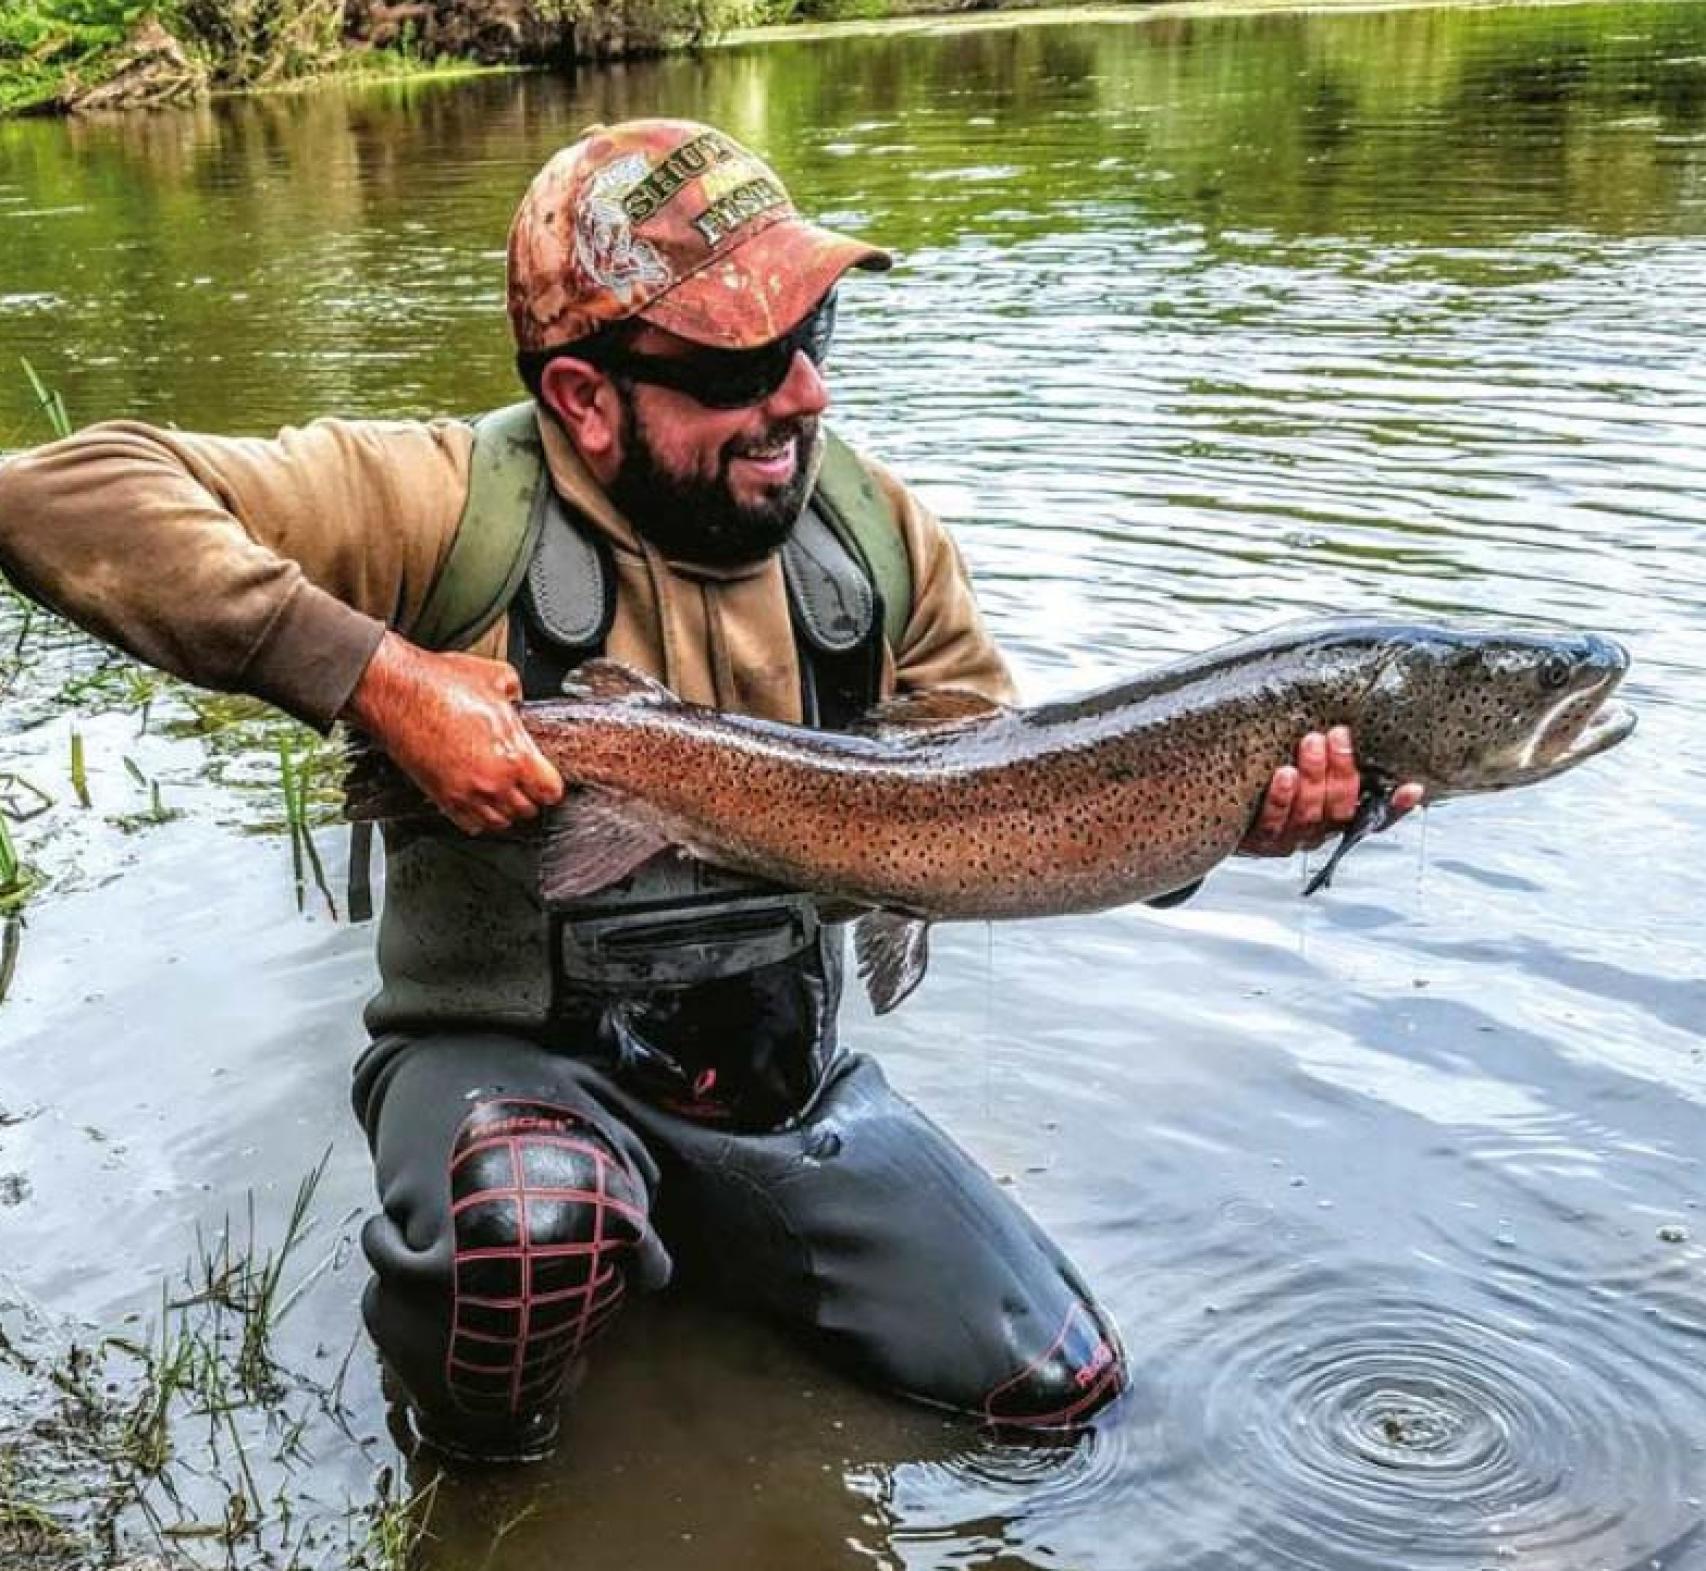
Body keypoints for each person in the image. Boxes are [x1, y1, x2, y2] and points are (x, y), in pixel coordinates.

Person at [0, 118, 1420, 1464]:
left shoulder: (870, 536)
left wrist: (1218, 824)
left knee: (1054, 1393)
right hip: (503, 1063)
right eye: (741, 364)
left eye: (813, 337)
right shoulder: (440, 498)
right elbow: (57, 496)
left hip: (778, 1086)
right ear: (580, 394)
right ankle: (483, 1454)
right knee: (530, 1226)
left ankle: (708, 1262)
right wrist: (382, 680)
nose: (801, 392)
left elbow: (1007, 812)